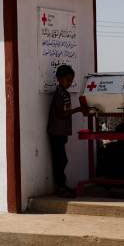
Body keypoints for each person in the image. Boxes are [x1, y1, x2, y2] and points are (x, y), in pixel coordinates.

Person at [47, 65, 83, 197]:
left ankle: (62, 185)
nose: (69, 83)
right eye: (67, 80)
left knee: (62, 160)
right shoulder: (59, 94)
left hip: (61, 132)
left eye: (71, 80)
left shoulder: (65, 94)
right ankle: (60, 186)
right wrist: (78, 110)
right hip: (56, 131)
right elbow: (61, 114)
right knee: (60, 160)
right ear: (59, 79)